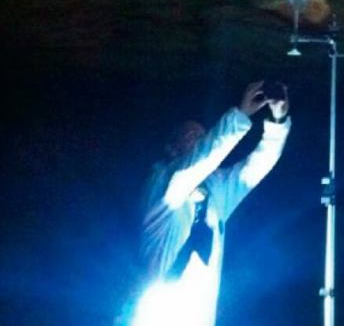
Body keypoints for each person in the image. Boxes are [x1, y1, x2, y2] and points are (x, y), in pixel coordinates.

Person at [123, 80, 291, 326]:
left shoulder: (216, 190)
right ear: (171, 148)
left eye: (203, 135)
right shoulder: (163, 183)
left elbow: (256, 166)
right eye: (192, 137)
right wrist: (241, 115)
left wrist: (278, 120)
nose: (200, 140)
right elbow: (204, 157)